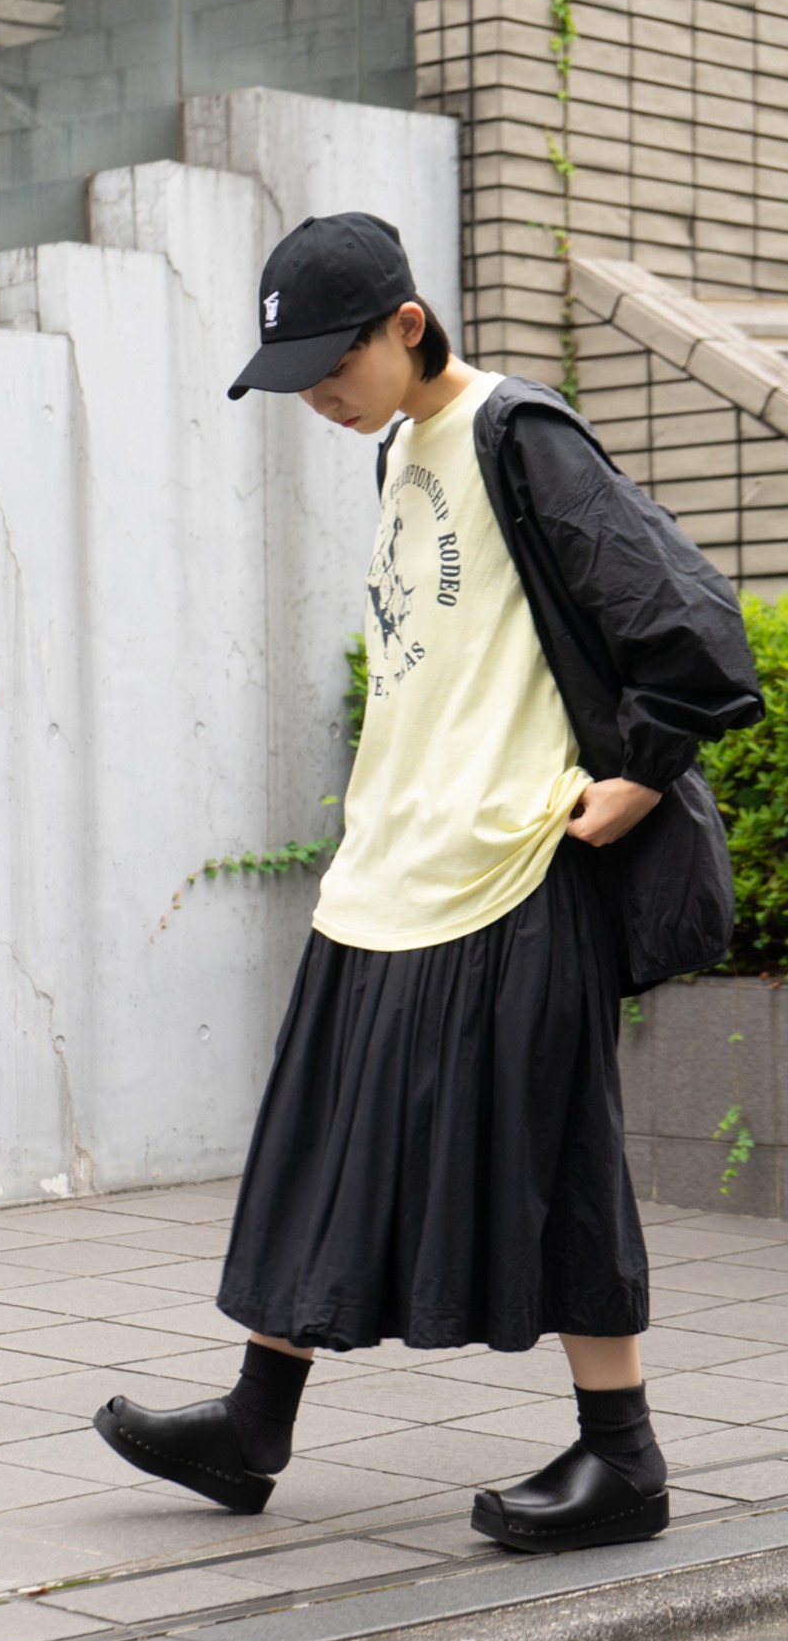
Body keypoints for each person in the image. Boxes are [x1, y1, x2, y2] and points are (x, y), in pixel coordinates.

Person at [92, 213, 765, 1554]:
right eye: (296, 380)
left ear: (408, 326)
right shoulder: (398, 448)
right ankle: (253, 1425)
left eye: (331, 368)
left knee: (555, 1153)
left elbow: (686, 622)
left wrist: (639, 776)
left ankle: (623, 1458)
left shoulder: (522, 436)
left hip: (511, 865)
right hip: (389, 867)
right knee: (319, 1138)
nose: (318, 400)